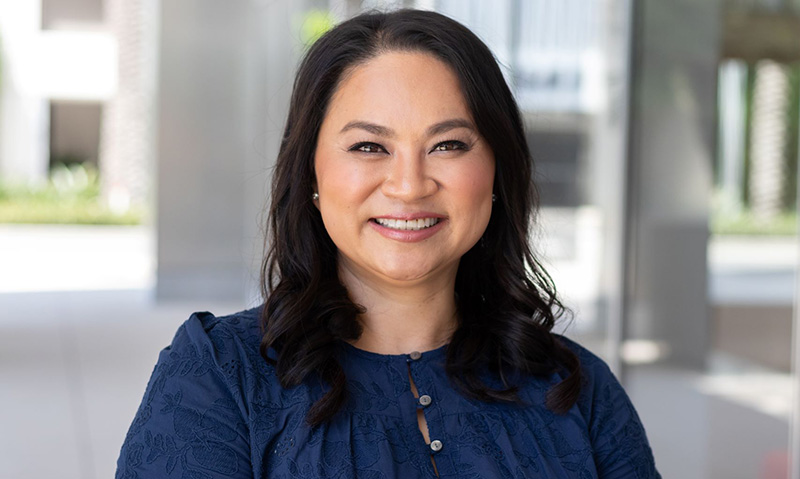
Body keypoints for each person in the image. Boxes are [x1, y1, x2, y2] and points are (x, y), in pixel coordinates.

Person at [116, 9, 660, 479]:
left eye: (448, 144)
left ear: (497, 172)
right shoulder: (219, 378)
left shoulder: (577, 388)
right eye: (370, 146)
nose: (409, 184)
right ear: (311, 172)